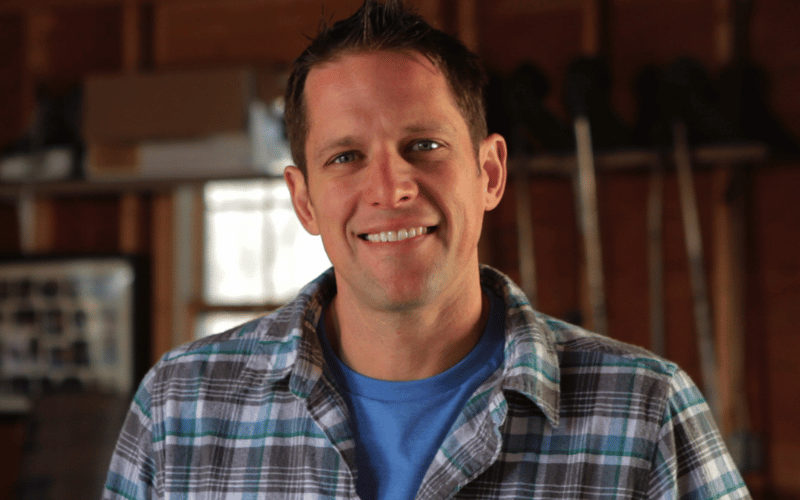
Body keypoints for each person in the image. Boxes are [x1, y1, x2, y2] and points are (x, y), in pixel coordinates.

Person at [103, 1, 751, 498]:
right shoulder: (181, 407)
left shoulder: (646, 414)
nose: (392, 188)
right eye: (347, 156)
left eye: (424, 146)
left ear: (490, 172)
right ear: (304, 200)